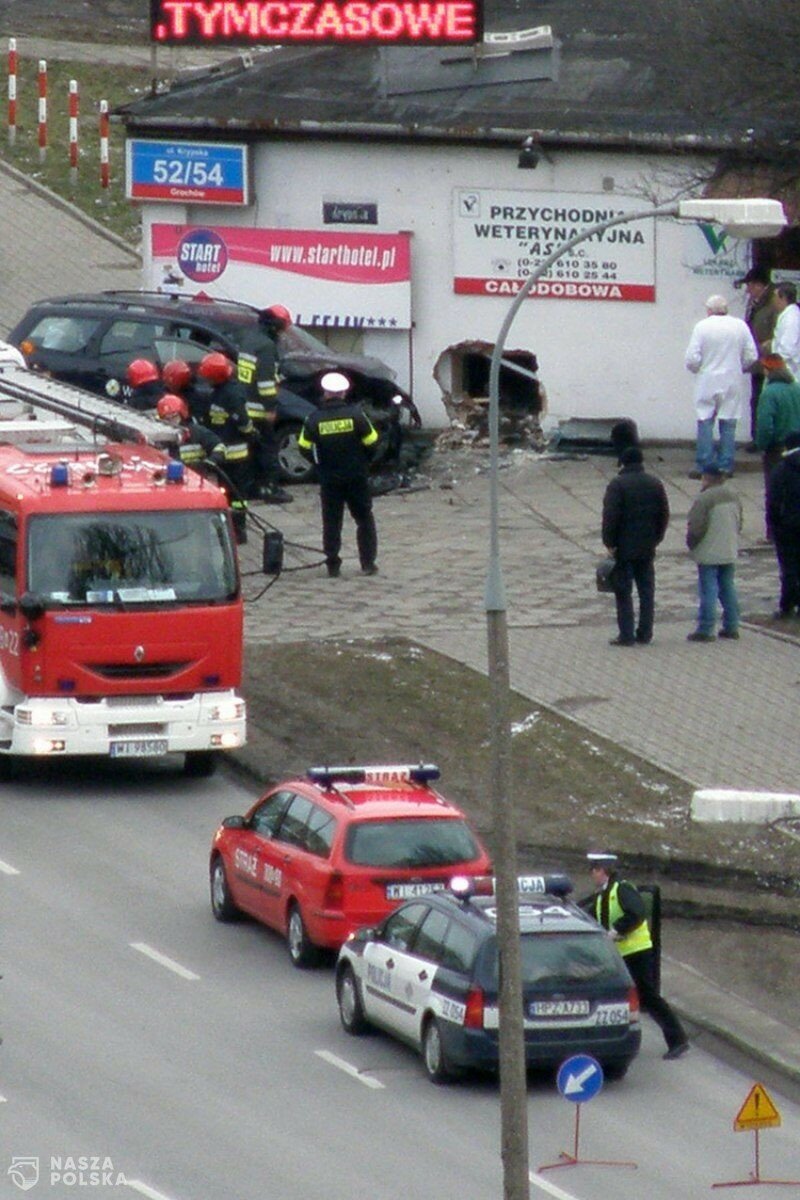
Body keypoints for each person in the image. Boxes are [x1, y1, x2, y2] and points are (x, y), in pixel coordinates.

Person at [579, 852, 689, 1060]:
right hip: (621, 955)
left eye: (594, 870)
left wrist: (617, 930)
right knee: (618, 996)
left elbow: (637, 912)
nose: (592, 875)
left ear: (602, 870)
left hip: (637, 952)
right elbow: (591, 917)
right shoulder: (603, 894)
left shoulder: (622, 889)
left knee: (648, 996)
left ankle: (678, 1039)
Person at [297, 371, 380, 578]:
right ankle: (368, 563)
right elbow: (372, 442)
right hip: (356, 476)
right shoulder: (357, 416)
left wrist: (319, 464)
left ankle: (333, 564)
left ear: (325, 393)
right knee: (364, 519)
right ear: (343, 393)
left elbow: (303, 447)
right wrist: (363, 461)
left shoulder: (313, 419)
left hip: (329, 479)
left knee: (332, 522)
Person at [684, 294, 759, 478]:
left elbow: (692, 358)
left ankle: (704, 464)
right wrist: (739, 367)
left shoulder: (702, 327)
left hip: (708, 379)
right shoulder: (740, 326)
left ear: (709, 310)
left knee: (705, 420)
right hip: (732, 379)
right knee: (728, 421)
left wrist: (699, 369)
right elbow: (751, 355)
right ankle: (726, 464)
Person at [601, 445, 670, 646]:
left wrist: (609, 542)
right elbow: (663, 515)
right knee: (647, 591)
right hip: (647, 547)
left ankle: (626, 634)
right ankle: (645, 632)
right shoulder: (655, 483)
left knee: (623, 591)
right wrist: (656, 538)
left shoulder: (617, 485)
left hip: (624, 548)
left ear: (623, 462)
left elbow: (611, 517)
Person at [236, 305, 294, 505]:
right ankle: (270, 488)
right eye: (282, 328)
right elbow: (266, 384)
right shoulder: (267, 347)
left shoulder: (250, 340)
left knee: (252, 451)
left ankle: (253, 487)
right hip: (260, 409)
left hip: (245, 404)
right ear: (274, 327)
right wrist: (270, 408)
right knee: (268, 449)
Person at [686, 464, 743, 641]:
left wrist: (692, 544)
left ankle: (706, 628)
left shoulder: (704, 499)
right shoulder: (734, 495)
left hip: (709, 551)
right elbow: (740, 522)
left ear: (707, 478)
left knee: (708, 590)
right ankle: (732, 626)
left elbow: (696, 528)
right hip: (729, 548)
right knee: (728, 587)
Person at [754, 353, 800, 540]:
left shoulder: (769, 393)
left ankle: (772, 533)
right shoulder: (796, 388)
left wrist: (762, 445)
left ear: (768, 370)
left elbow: (765, 424)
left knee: (775, 488)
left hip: (778, 448)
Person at [735, 264, 779, 448]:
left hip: (770, 359)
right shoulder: (754, 304)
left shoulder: (773, 304)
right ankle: (757, 437)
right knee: (756, 397)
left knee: (767, 398)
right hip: (757, 359)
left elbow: (778, 331)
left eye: (751, 285)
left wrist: (769, 345)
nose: (748, 290)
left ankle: (767, 438)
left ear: (761, 285)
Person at [766, 430, 800, 618]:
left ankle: (787, 606)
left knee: (788, 568)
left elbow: (773, 501)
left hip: (787, 527)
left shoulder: (781, 470)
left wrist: (773, 526)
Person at [772, 282, 800, 381]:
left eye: (775, 296)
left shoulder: (791, 318)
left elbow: (787, 349)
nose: (773, 300)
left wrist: (772, 365)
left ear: (783, 298)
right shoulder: (788, 315)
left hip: (788, 374)